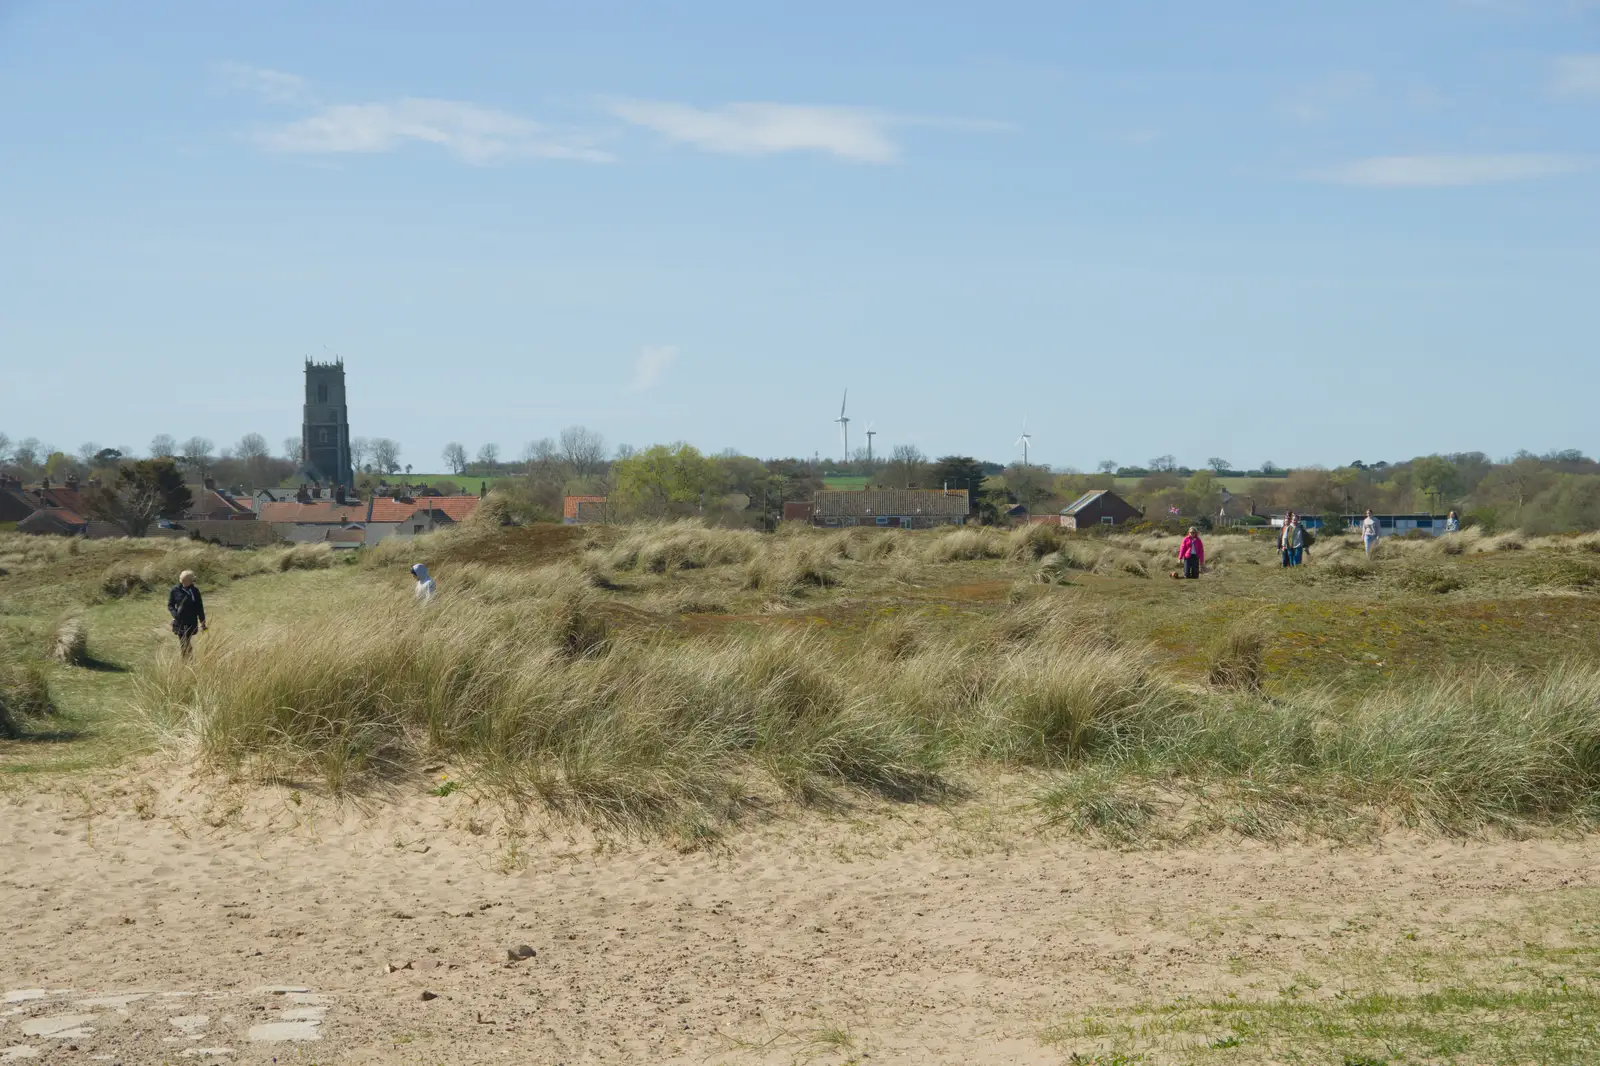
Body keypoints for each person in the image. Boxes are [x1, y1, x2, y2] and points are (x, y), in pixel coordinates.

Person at [167, 569, 207, 659]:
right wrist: (175, 615)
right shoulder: (174, 590)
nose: (193, 581)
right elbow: (170, 605)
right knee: (182, 641)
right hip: (179, 621)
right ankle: (187, 660)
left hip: (191, 620)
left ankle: (187, 659)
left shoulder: (195, 591)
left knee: (186, 640)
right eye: (192, 580)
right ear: (186, 581)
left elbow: (199, 606)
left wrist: (202, 621)